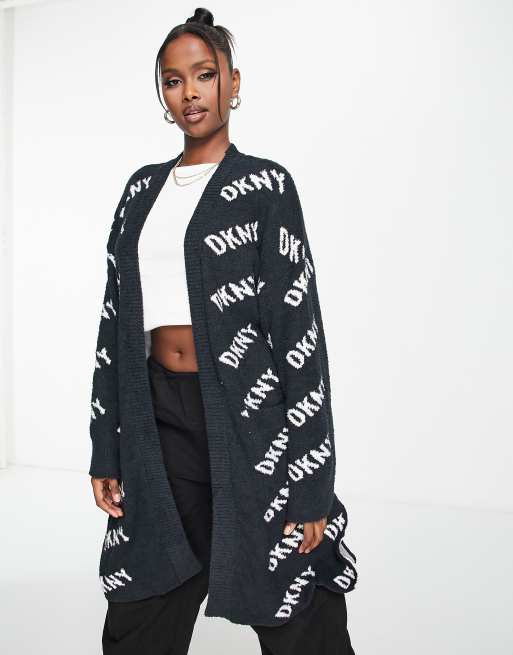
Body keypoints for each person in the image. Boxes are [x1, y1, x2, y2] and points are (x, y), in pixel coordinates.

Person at [89, 7, 358, 654]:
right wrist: (106, 445)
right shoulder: (140, 192)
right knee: (144, 591)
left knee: (291, 585)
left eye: (204, 75)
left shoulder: (265, 186)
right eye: (173, 80)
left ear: (233, 83)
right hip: (158, 420)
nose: (189, 92)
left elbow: (299, 336)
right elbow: (112, 323)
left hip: (248, 421)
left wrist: (313, 479)